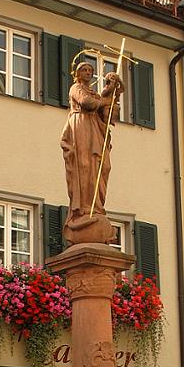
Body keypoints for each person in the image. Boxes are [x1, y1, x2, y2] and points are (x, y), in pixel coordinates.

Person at [60, 59, 124, 244]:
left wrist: (113, 89)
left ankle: (96, 207)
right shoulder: (76, 88)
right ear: (77, 74)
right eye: (84, 70)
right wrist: (105, 98)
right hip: (80, 127)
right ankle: (83, 208)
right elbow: (87, 103)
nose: (88, 72)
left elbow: (104, 109)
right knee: (84, 165)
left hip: (94, 129)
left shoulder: (95, 93)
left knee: (102, 166)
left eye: (90, 70)